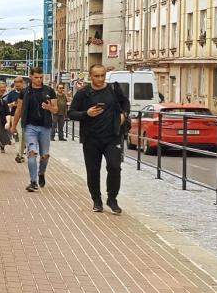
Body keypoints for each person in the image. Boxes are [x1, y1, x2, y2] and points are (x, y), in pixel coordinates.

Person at [67, 64, 130, 214]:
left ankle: (112, 199)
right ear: (91, 76)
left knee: (115, 167)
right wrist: (86, 114)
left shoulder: (114, 89)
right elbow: (71, 113)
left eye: (102, 75)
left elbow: (125, 103)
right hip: (91, 139)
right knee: (93, 170)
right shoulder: (83, 93)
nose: (100, 79)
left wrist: (124, 115)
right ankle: (96, 199)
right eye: (97, 76)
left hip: (112, 137)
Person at [11, 68, 58, 192]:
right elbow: (19, 110)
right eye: (36, 77)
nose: (39, 79)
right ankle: (33, 182)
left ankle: (41, 173)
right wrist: (13, 126)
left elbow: (56, 109)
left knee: (45, 155)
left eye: (41, 77)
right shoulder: (25, 92)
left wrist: (49, 107)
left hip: (45, 127)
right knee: (32, 153)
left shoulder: (49, 91)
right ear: (31, 77)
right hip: (30, 126)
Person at [4, 77, 27, 163]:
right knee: (18, 135)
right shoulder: (11, 94)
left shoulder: (26, 92)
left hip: (25, 116)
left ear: (22, 83)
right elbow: (7, 105)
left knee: (23, 136)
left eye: (19, 85)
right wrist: (12, 104)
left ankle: (21, 151)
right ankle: (19, 153)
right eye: (16, 86)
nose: (18, 87)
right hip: (14, 116)